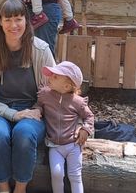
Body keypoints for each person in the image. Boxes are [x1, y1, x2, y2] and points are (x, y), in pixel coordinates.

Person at [0, 0, 55, 193]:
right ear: (0, 21)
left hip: (33, 110)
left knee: (24, 134)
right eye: (7, 19)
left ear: (26, 20)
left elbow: (53, 90)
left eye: (18, 19)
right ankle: (3, 188)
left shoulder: (41, 50)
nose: (13, 25)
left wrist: (36, 109)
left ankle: (20, 188)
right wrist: (13, 114)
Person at [36, 61, 95, 193]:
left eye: (55, 77)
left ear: (67, 86)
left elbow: (89, 116)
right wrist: (37, 111)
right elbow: (38, 105)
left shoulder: (77, 102)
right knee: (57, 174)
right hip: (54, 146)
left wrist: (86, 129)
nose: (50, 78)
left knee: (75, 176)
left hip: (74, 145)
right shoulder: (45, 94)